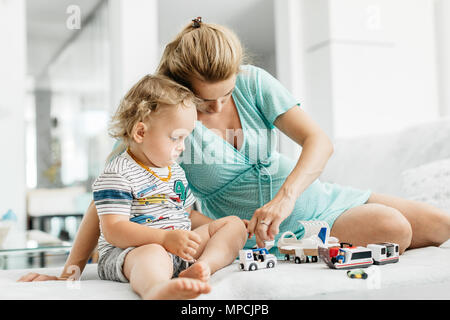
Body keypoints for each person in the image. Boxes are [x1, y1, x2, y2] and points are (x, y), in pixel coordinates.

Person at [19, 18, 450, 284]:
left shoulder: (252, 81)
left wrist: (287, 196)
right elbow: (110, 191)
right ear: (182, 88)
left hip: (303, 196)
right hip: (261, 226)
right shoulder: (166, 118)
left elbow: (319, 142)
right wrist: (72, 265)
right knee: (395, 229)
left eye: (226, 94)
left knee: (441, 223)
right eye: (206, 102)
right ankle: (305, 244)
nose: (220, 107)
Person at [20, 74, 248, 300]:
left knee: (234, 224)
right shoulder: (118, 173)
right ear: (141, 132)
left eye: (185, 139)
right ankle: (155, 289)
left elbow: (187, 215)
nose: (182, 147)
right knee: (152, 253)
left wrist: (215, 228)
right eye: (176, 138)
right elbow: (114, 228)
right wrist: (163, 240)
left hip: (179, 250)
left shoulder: (175, 171)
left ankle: (202, 268)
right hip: (132, 252)